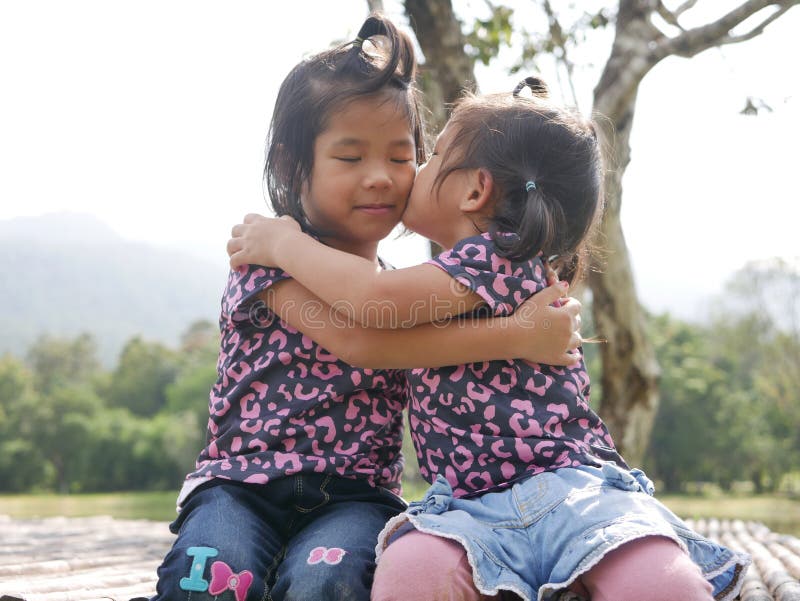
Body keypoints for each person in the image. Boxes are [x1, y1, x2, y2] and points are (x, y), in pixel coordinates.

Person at [226, 77, 751, 601]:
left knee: (653, 577)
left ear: (475, 190)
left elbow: (371, 303)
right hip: (463, 511)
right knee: (410, 571)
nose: (416, 171)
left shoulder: (499, 258)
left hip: (567, 488)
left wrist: (283, 242)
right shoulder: (455, 278)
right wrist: (516, 336)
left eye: (430, 159)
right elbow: (371, 337)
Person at [152, 16, 583, 601]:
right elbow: (363, 337)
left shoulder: (405, 290)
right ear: (289, 167)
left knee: (326, 582)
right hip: (240, 484)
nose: (380, 178)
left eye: (401, 157)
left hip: (356, 496)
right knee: (209, 574)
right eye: (350, 158)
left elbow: (399, 327)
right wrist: (516, 334)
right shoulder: (268, 258)